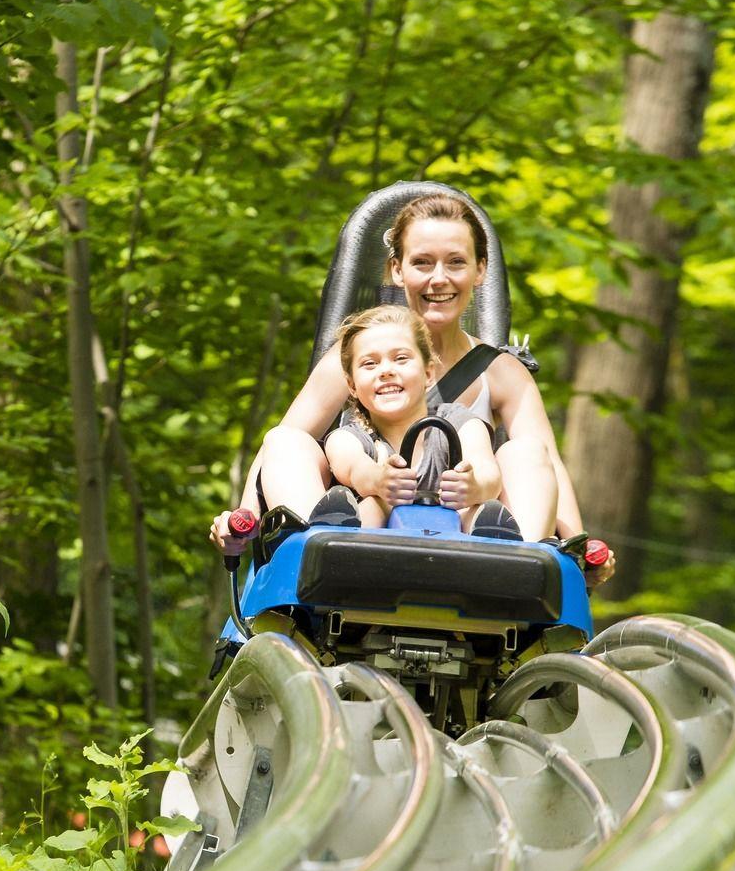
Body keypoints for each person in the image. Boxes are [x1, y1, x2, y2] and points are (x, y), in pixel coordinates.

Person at [211, 193, 614, 582]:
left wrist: (580, 550)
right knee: (285, 439)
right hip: (362, 526)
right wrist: (243, 518)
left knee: (526, 451)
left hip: (464, 534)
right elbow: (279, 447)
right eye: (422, 262)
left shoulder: (502, 372)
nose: (439, 278)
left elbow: (547, 467)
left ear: (480, 270)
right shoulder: (350, 357)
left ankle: (517, 569)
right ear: (398, 270)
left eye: (455, 262)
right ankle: (314, 553)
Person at [320, 304, 504, 532]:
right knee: (375, 504)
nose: (386, 371)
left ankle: (507, 549)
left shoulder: (460, 423)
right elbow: (355, 469)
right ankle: (337, 554)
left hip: (455, 544)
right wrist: (380, 481)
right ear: (352, 386)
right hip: (377, 553)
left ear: (428, 374)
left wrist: (475, 486)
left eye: (400, 358)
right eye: (370, 363)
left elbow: (488, 472)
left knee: (475, 510)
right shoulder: (349, 438)